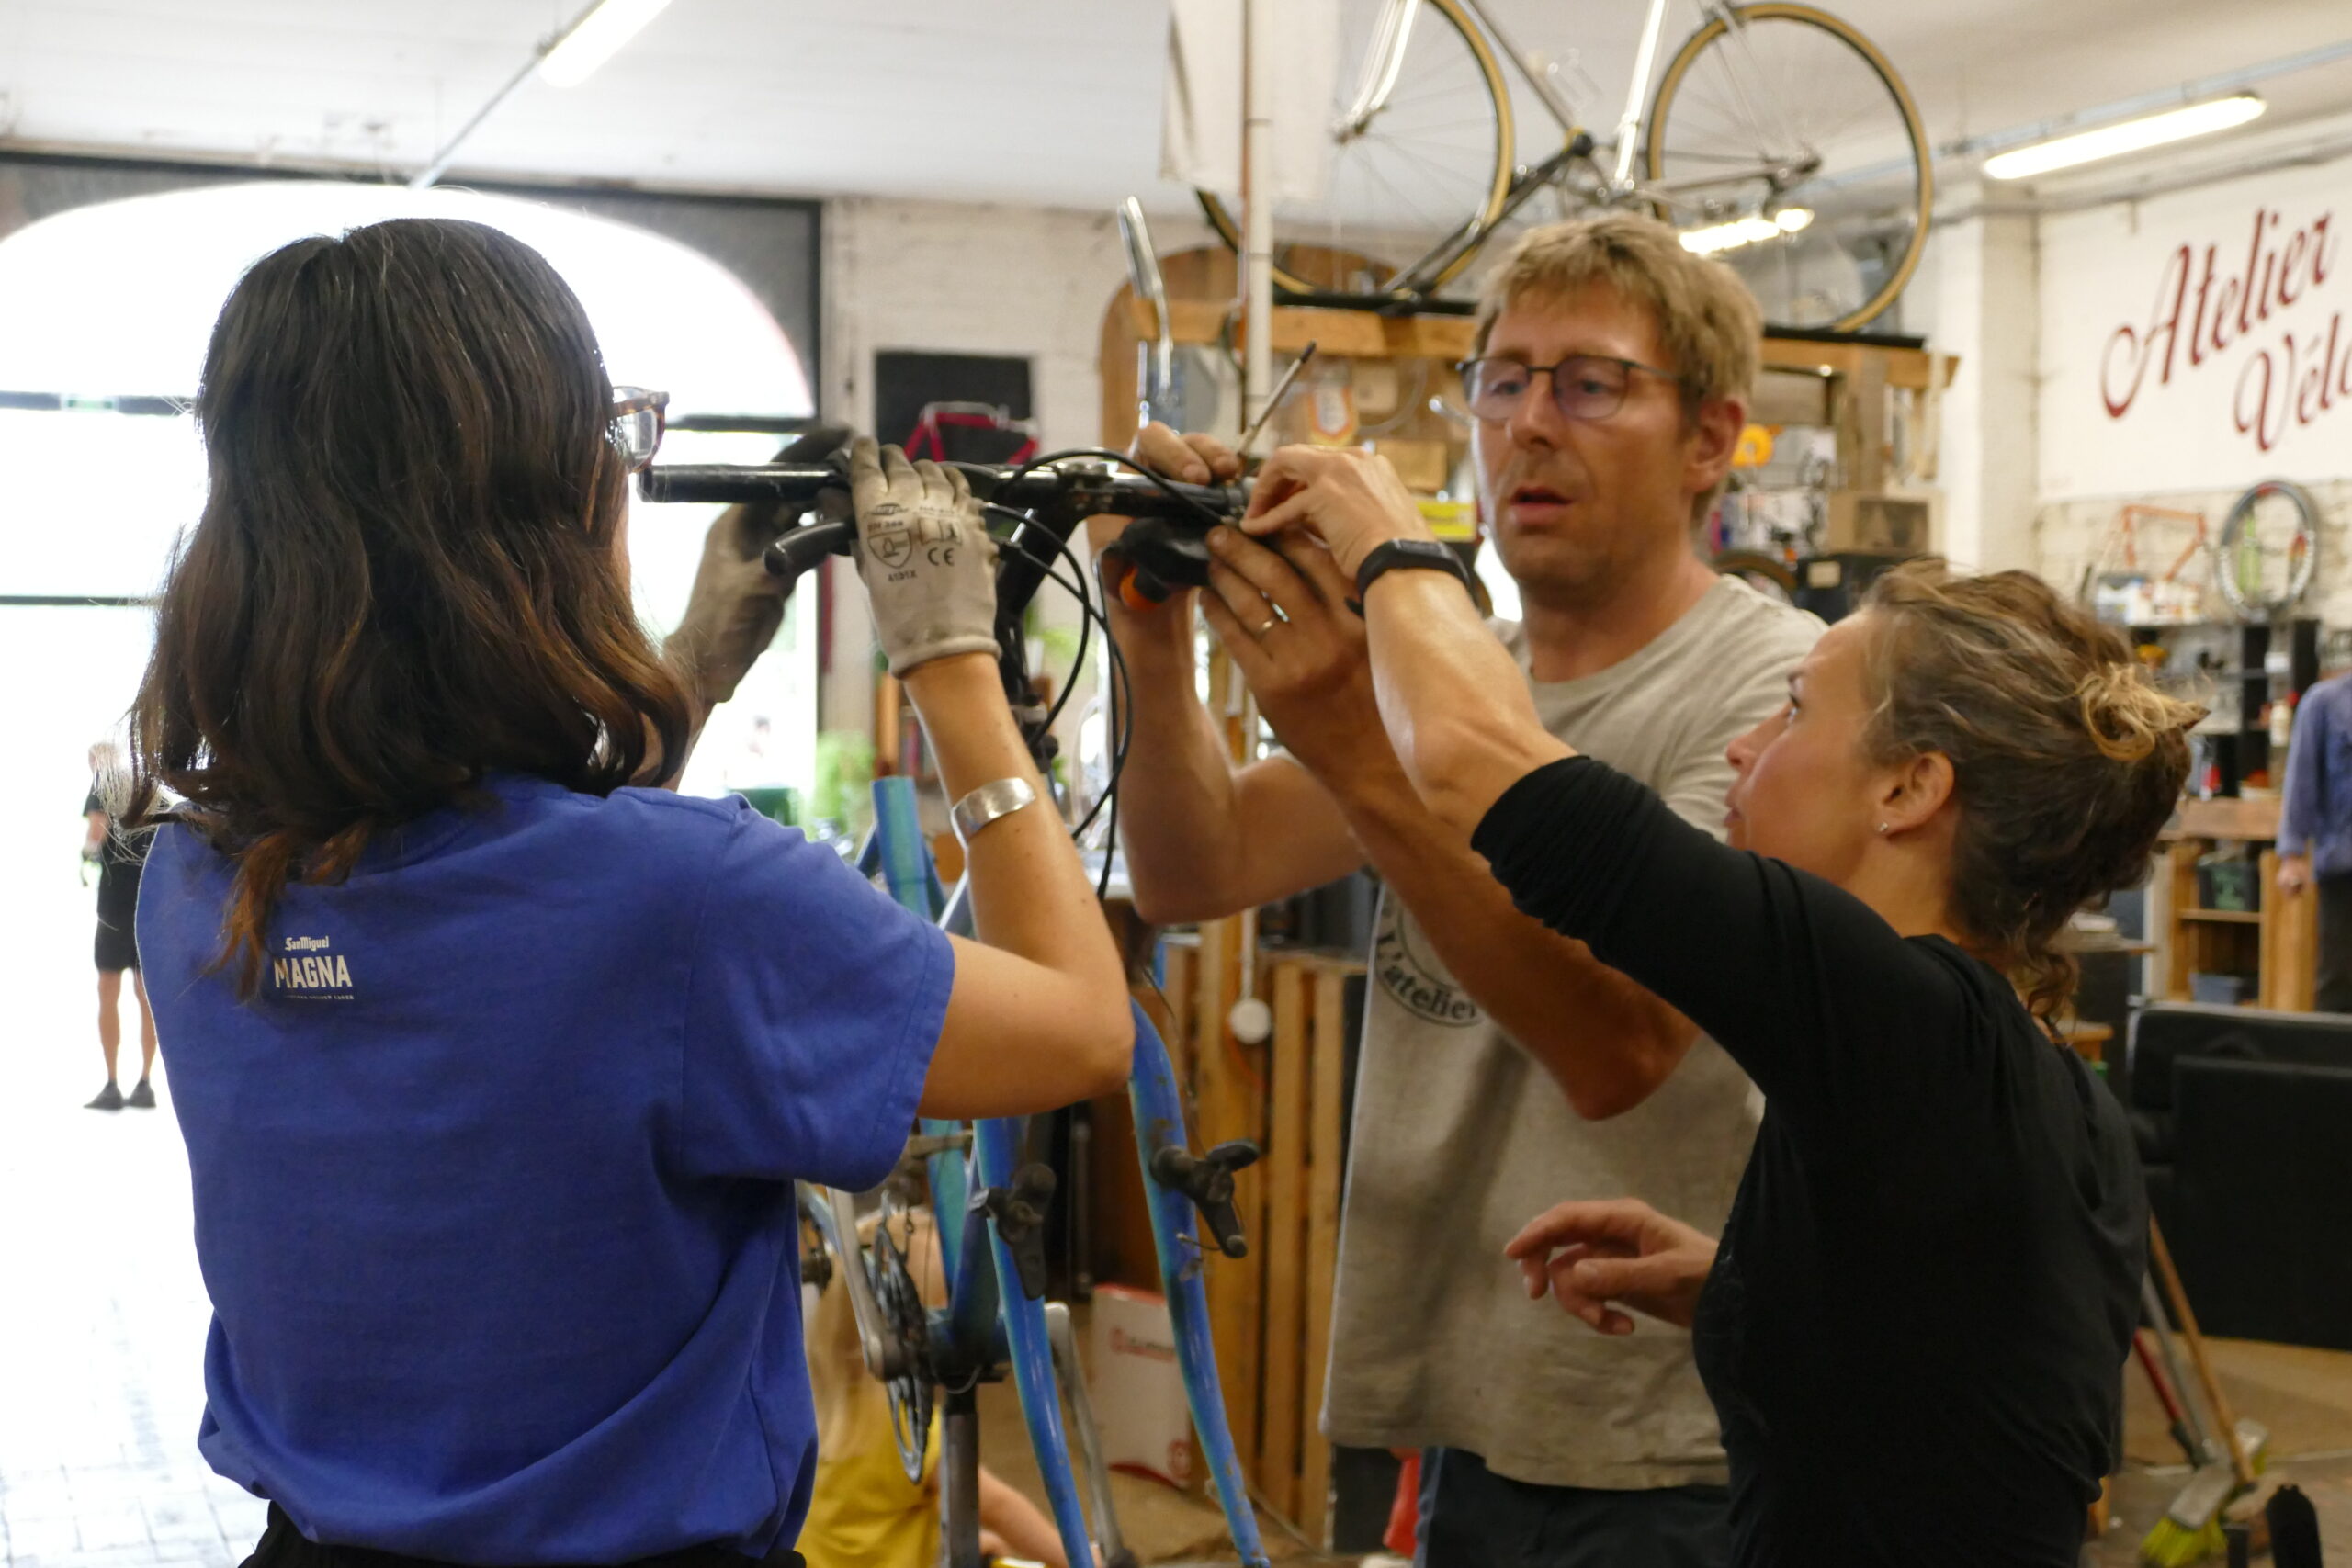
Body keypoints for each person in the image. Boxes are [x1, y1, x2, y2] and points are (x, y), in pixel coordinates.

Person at [128, 218, 1132, 1568]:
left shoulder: (195, 882)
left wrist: (695, 667)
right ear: (547, 508)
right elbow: (1080, 1022)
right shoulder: (691, 897)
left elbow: (513, 894)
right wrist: (953, 663)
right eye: (610, 435)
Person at [1238, 437, 2192, 1563]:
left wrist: (1390, 543)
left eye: (1791, 712)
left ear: (1907, 787)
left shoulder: (1899, 1017)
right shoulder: (2017, 1081)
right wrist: (1742, 1285)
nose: (1746, 746)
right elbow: (1955, 1377)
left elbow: (1467, 760)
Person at [1093, 213, 1819, 1565]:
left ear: (1712, 439)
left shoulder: (1772, 692)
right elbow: (1195, 872)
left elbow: (1622, 1045)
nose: (1531, 424)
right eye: (1505, 377)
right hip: (1455, 1393)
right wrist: (1153, 636)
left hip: (1660, 1434)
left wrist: (1363, 741)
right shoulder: (1449, 666)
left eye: (1591, 382)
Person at [799, 1207, 1067, 1568]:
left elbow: (873, 1528)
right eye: (944, 1305)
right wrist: (1078, 1559)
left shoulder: (814, 1415)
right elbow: (999, 1507)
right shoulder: (909, 1435)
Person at [83, 743, 156, 1111]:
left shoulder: (102, 786)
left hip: (113, 907)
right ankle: (145, 1082)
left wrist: (86, 854)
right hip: (149, 906)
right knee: (148, 995)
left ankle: (112, 1083)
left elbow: (97, 833)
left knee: (108, 988)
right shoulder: (151, 791)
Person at [2277, 670, 2352, 1010]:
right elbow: (2301, 779)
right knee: (2339, 979)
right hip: (2344, 870)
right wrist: (2292, 855)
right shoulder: (2325, 702)